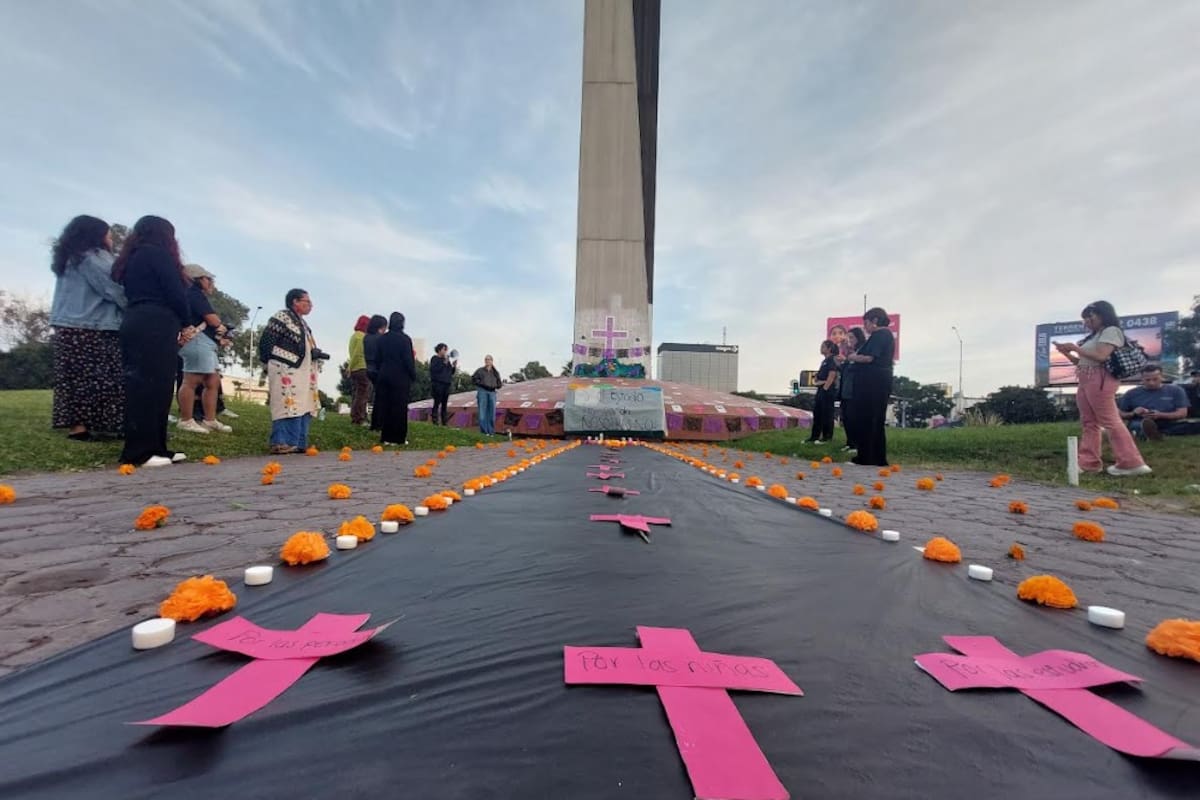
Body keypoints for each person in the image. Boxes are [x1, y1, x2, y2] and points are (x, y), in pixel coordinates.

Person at [112, 216, 194, 467]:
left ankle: (157, 448)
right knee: (149, 388)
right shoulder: (157, 254)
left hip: (138, 319)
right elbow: (175, 292)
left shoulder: (135, 257)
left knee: (154, 387)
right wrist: (186, 321)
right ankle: (140, 452)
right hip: (155, 322)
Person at [48, 215, 126, 441]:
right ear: (97, 236)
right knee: (103, 377)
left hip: (68, 325)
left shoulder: (69, 259)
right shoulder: (93, 258)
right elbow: (112, 288)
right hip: (92, 324)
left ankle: (79, 427)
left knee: (74, 378)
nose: (111, 239)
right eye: (109, 234)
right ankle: (104, 424)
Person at [1054, 300, 1151, 476]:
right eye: (1085, 318)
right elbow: (1082, 361)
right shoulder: (1093, 336)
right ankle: (1088, 462)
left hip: (1100, 378)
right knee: (1089, 422)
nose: (1087, 321)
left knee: (1109, 420)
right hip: (1086, 377)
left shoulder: (1111, 331)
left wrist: (1075, 348)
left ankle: (1131, 462)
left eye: (1090, 316)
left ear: (1102, 315)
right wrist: (1067, 353)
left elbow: (1100, 356)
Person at [259, 288, 322, 455]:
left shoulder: (303, 323)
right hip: (285, 368)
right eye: (307, 302)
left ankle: (298, 441)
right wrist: (270, 361)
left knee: (303, 404)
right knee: (286, 403)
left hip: (302, 371)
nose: (311, 305)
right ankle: (281, 442)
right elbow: (267, 341)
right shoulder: (282, 317)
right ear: (295, 301)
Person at [176, 264, 232, 434]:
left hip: (204, 342)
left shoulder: (193, 294)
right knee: (191, 381)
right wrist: (221, 327)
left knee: (212, 381)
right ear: (197, 279)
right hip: (197, 341)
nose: (211, 283)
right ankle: (186, 420)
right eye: (208, 279)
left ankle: (209, 419)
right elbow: (213, 320)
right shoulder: (193, 294)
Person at [846, 308, 894, 467]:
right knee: (871, 420)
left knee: (869, 420)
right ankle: (874, 458)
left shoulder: (881, 335)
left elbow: (869, 358)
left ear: (875, 321)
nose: (864, 327)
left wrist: (852, 357)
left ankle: (867, 458)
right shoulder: (878, 336)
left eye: (866, 323)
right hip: (873, 383)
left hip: (874, 384)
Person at [1119, 364, 1195, 439]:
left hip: (1169, 421)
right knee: (1137, 425)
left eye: (1155, 379)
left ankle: (1158, 433)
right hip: (1141, 421)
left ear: (1162, 377)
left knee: (1189, 425)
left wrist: (1160, 414)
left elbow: (1182, 413)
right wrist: (1134, 413)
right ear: (1142, 378)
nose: (1151, 383)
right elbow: (1121, 414)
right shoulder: (1131, 393)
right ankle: (1152, 432)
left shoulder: (1176, 390)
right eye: (1147, 380)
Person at [374, 312, 416, 445]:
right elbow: (408, 360)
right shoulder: (405, 339)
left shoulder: (382, 339)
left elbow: (377, 359)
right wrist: (413, 375)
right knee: (399, 407)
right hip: (400, 376)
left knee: (386, 406)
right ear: (402, 323)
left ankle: (385, 437)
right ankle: (398, 438)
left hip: (384, 374)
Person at [837, 327, 866, 452]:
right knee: (846, 419)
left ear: (858, 338)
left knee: (854, 419)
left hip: (855, 392)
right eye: (848, 337)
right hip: (845, 391)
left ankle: (857, 444)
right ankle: (850, 442)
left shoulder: (861, 353)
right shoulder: (850, 356)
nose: (850, 340)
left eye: (852, 337)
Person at [806, 340, 838, 444]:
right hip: (820, 390)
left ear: (829, 348)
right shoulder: (824, 361)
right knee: (818, 413)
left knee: (827, 414)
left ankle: (827, 437)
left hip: (827, 391)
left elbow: (832, 375)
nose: (821, 348)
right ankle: (814, 436)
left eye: (823, 346)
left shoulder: (832, 360)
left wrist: (825, 387)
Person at [363, 314, 388, 430]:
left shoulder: (367, 338)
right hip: (379, 369)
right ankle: (380, 423)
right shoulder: (380, 339)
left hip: (369, 368)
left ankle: (375, 423)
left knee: (377, 396)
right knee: (382, 399)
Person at [347, 315, 370, 425]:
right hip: (362, 366)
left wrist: (350, 367)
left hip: (355, 368)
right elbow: (357, 353)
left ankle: (355, 415)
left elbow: (352, 354)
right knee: (363, 394)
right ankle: (359, 417)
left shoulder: (354, 336)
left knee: (357, 393)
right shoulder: (362, 337)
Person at [472, 354, 502, 434]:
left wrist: (495, 386)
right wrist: (482, 383)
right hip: (482, 391)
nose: (487, 361)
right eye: (486, 359)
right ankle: (484, 431)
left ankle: (491, 431)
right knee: (482, 412)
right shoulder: (480, 370)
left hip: (492, 392)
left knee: (491, 412)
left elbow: (499, 384)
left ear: (492, 361)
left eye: (489, 359)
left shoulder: (495, 372)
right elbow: (473, 379)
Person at [429, 342, 458, 425]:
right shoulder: (435, 358)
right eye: (444, 349)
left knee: (444, 404)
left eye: (446, 350)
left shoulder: (447, 361)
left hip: (446, 384)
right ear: (439, 350)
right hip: (438, 383)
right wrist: (444, 363)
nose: (446, 351)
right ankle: (435, 420)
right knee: (437, 402)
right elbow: (434, 370)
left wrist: (454, 366)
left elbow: (450, 372)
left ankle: (444, 422)